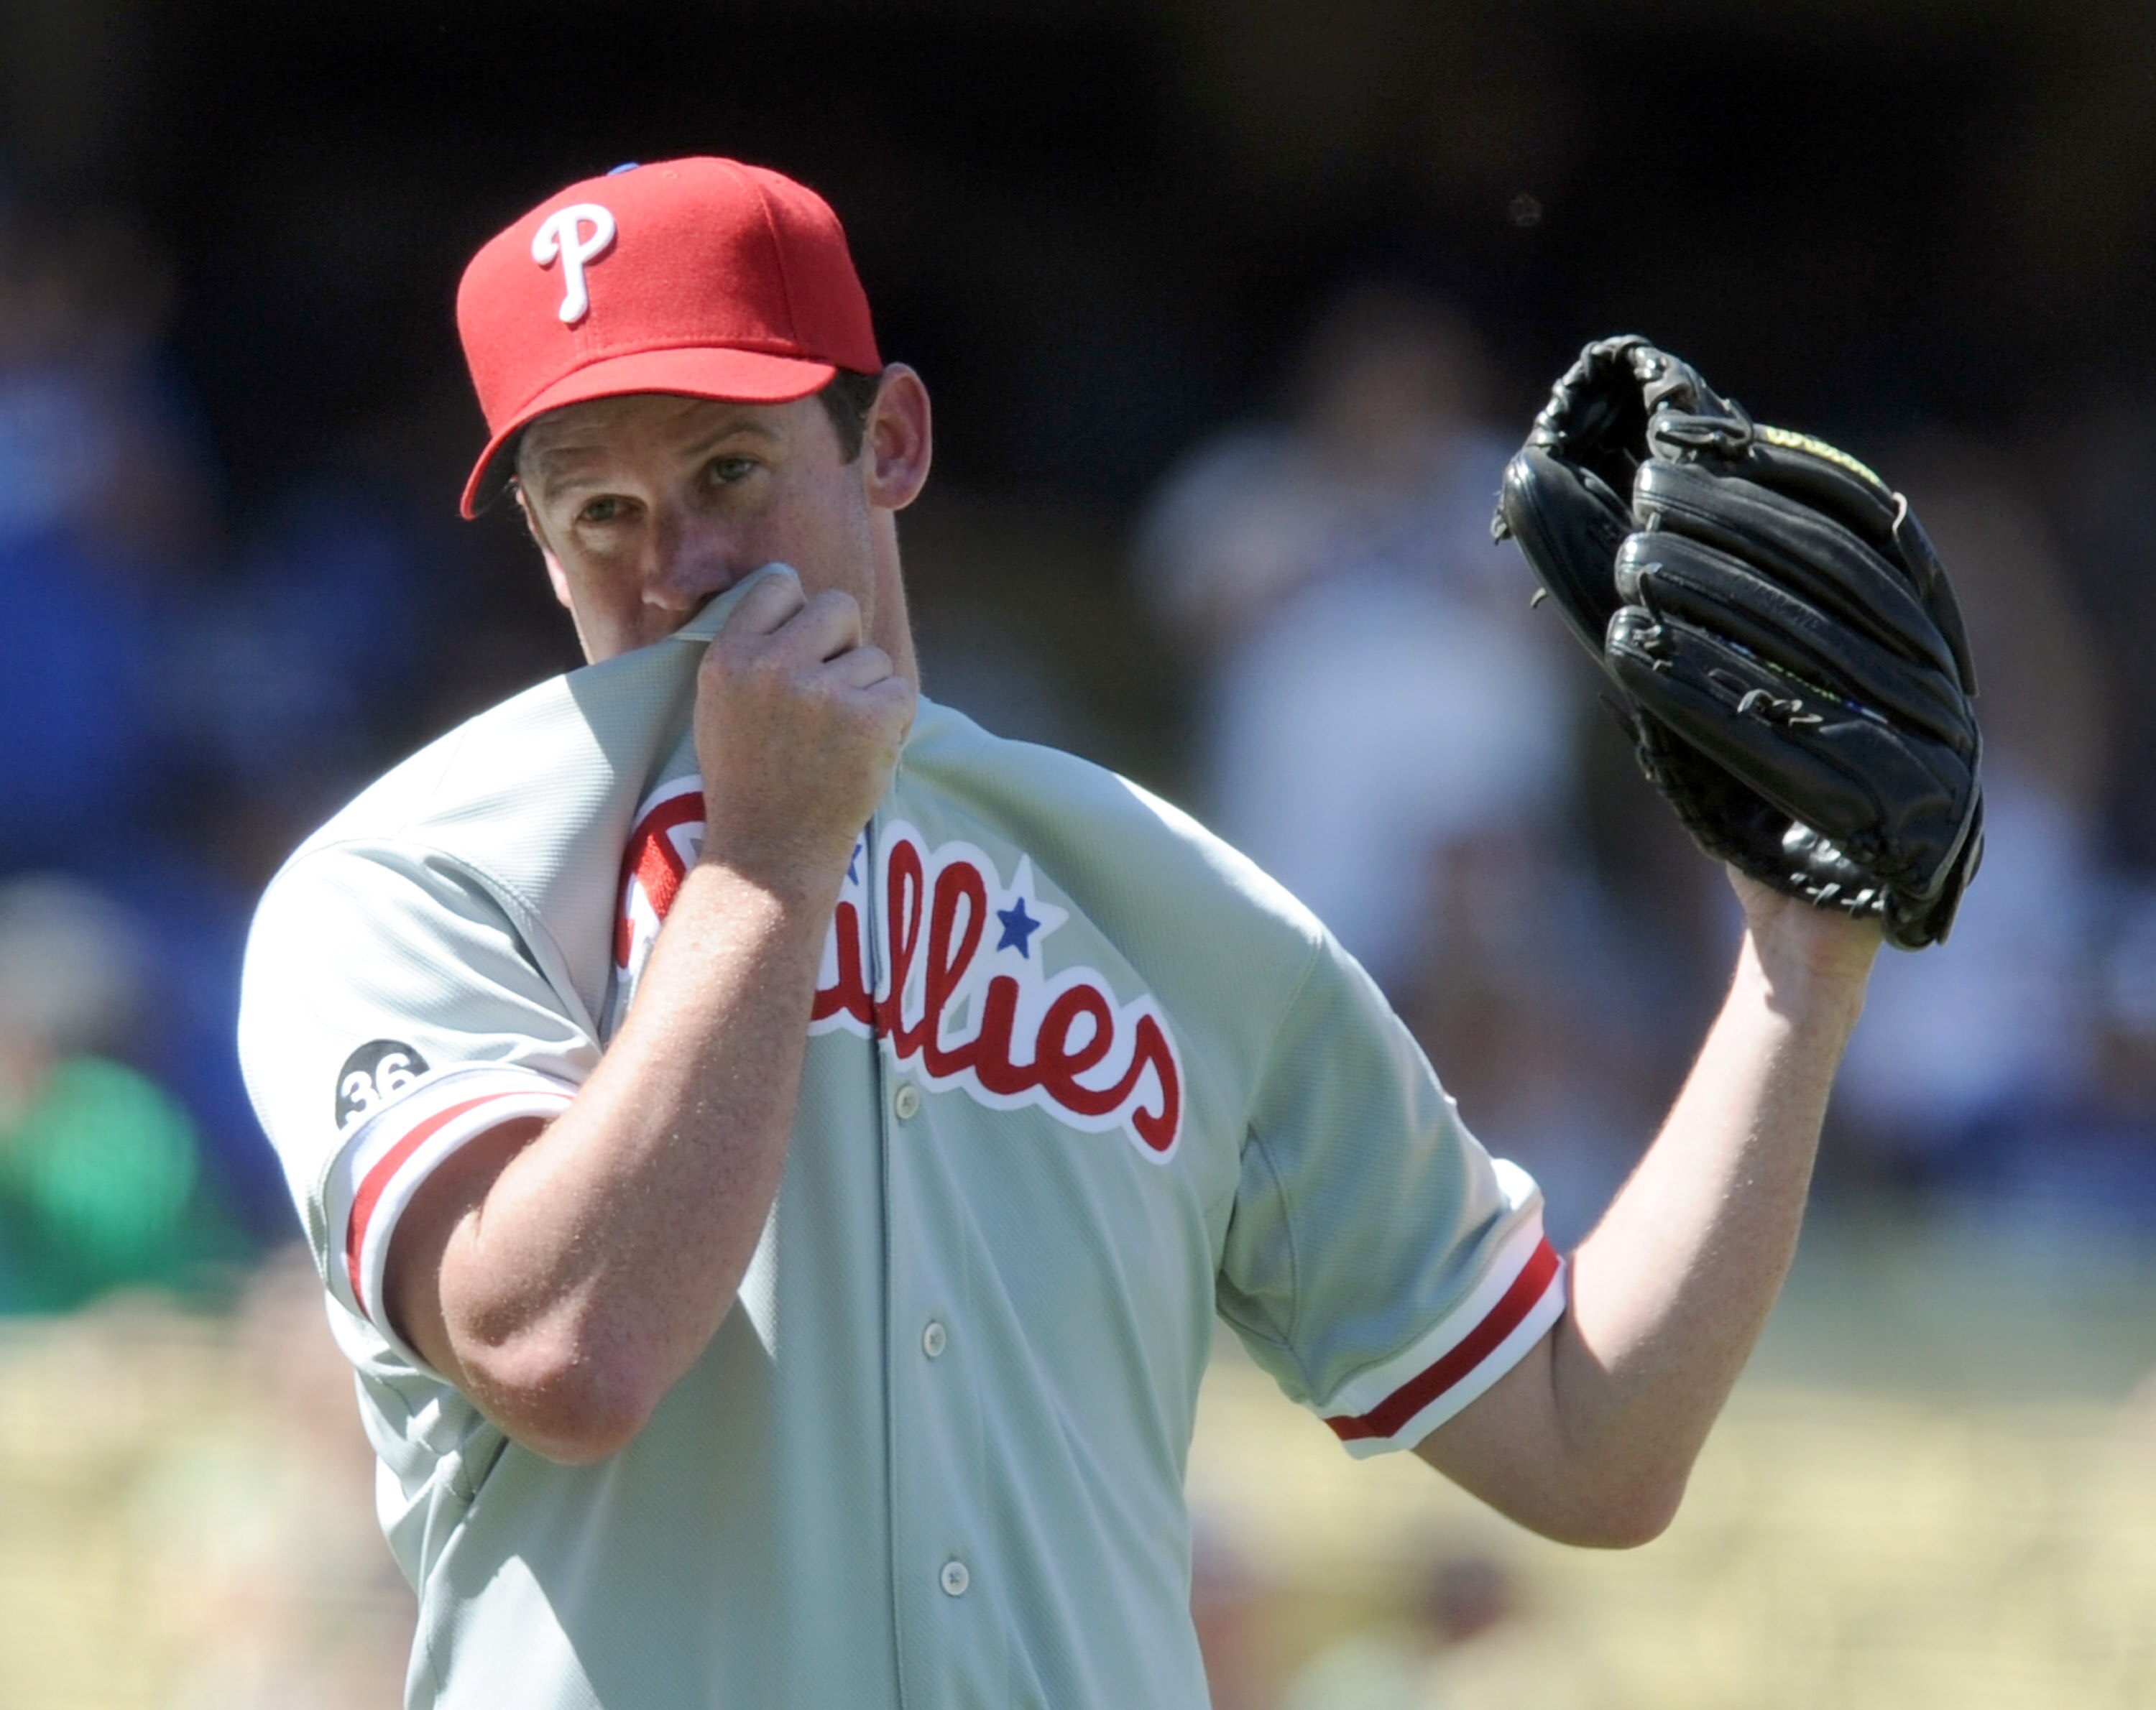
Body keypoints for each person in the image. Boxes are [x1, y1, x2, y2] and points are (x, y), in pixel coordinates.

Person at [236, 157, 1881, 1709]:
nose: (678, 570)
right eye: (599, 511)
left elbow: (1586, 1438)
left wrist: (1795, 972)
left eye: (727, 471)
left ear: (888, 442)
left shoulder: (1164, 892)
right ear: (536, 536)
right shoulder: (413, 880)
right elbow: (564, 1349)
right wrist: (764, 869)